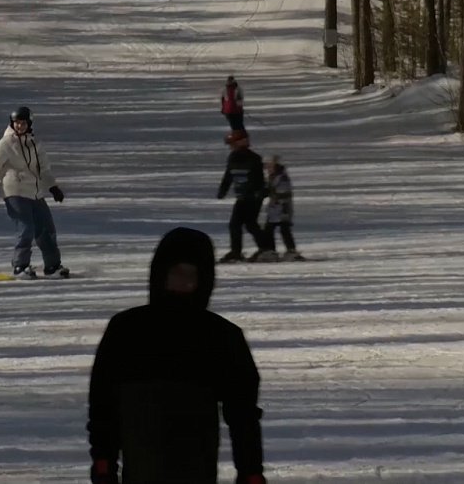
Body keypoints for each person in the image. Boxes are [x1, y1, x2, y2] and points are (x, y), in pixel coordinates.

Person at [87, 227, 266, 484]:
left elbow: (243, 416)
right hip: (139, 467)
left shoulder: (220, 336)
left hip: (196, 467)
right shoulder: (127, 330)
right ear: (160, 274)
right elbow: (103, 405)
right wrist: (103, 463)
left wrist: (251, 472)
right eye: (176, 273)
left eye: (191, 275)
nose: (183, 283)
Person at [0, 106, 69, 279]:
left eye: (23, 123)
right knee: (26, 229)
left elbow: (44, 170)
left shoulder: (35, 144)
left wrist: (53, 187)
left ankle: (52, 266)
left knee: (46, 228)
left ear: (29, 124)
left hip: (36, 192)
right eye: (16, 123)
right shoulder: (5, 144)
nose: (19, 126)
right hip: (15, 191)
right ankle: (20, 266)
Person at [217, 130, 275, 263]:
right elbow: (228, 175)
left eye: (233, 144)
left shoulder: (253, 158)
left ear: (243, 142)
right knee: (239, 224)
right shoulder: (232, 157)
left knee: (247, 224)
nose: (231, 147)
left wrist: (259, 192)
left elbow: (258, 179)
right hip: (242, 197)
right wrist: (223, 190)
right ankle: (242, 251)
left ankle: (264, 249)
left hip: (253, 197)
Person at [263, 156, 304, 262]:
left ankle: (290, 250)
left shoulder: (282, 178)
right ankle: (271, 250)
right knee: (269, 229)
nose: (268, 169)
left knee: (284, 229)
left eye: (270, 166)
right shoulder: (272, 177)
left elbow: (283, 192)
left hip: (282, 208)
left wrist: (273, 195)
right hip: (274, 208)